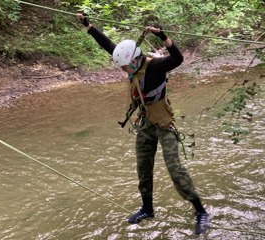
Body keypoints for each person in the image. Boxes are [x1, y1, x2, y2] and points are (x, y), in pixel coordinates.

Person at [77, 13, 210, 235]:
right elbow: (107, 44)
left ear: (135, 60)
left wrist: (163, 36)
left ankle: (200, 211)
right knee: (143, 169)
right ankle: (147, 209)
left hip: (164, 126)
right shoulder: (129, 62)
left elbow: (177, 59)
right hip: (146, 124)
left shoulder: (156, 67)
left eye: (124, 68)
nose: (122, 71)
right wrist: (88, 25)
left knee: (175, 170)